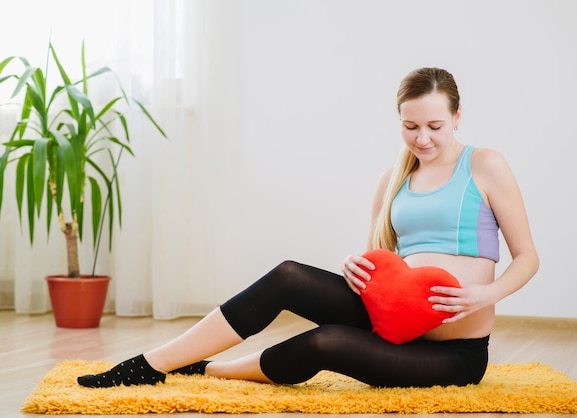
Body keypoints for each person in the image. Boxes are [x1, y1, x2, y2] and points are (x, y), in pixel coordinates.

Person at [78, 67, 539, 389]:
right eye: (410, 126)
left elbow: (528, 259)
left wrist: (485, 295)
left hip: (451, 355)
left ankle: (208, 370)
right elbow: (381, 265)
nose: (423, 138)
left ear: (458, 117)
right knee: (288, 275)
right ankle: (150, 364)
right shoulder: (394, 179)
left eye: (436, 125)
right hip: (394, 321)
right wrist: (354, 265)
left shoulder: (485, 165)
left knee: (324, 343)